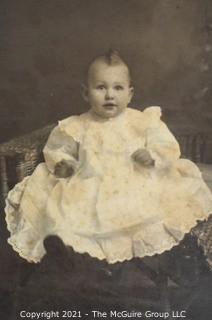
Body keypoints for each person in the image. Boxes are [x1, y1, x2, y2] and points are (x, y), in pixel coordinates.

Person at [5, 50, 212, 265]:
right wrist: (63, 163)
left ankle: (132, 255)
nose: (110, 95)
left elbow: (166, 145)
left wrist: (152, 156)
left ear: (130, 94)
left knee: (145, 213)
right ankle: (72, 252)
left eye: (118, 88)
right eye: (101, 87)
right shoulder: (77, 125)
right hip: (87, 188)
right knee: (66, 216)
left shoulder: (142, 121)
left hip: (135, 186)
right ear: (86, 93)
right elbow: (58, 149)